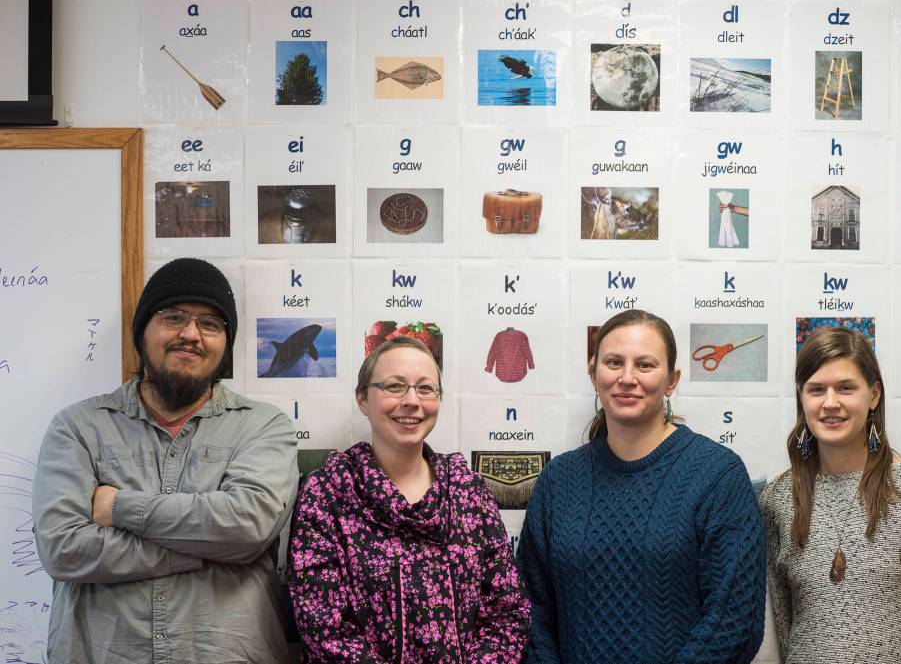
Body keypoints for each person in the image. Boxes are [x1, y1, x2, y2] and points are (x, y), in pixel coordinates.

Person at [32, 257, 299, 664]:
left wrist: (118, 505)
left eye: (210, 324)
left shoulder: (263, 426)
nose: (191, 334)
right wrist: (203, 550)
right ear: (142, 332)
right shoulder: (78, 427)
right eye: (173, 317)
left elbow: (248, 526)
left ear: (225, 345)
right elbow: (64, 548)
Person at [516, 309, 766, 664]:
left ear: (672, 380)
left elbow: (735, 621)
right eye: (614, 362)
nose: (627, 378)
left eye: (645, 365)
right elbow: (530, 609)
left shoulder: (717, 475)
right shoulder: (559, 480)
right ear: (594, 374)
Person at [288, 336, 531, 663]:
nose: (412, 401)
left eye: (426, 389)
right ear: (362, 399)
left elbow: (507, 611)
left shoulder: (468, 490)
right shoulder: (327, 492)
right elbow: (323, 624)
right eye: (394, 386)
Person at [759, 326, 901, 663]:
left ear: (873, 396)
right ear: (801, 397)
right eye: (816, 389)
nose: (830, 403)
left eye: (845, 388)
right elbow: (782, 622)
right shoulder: (778, 499)